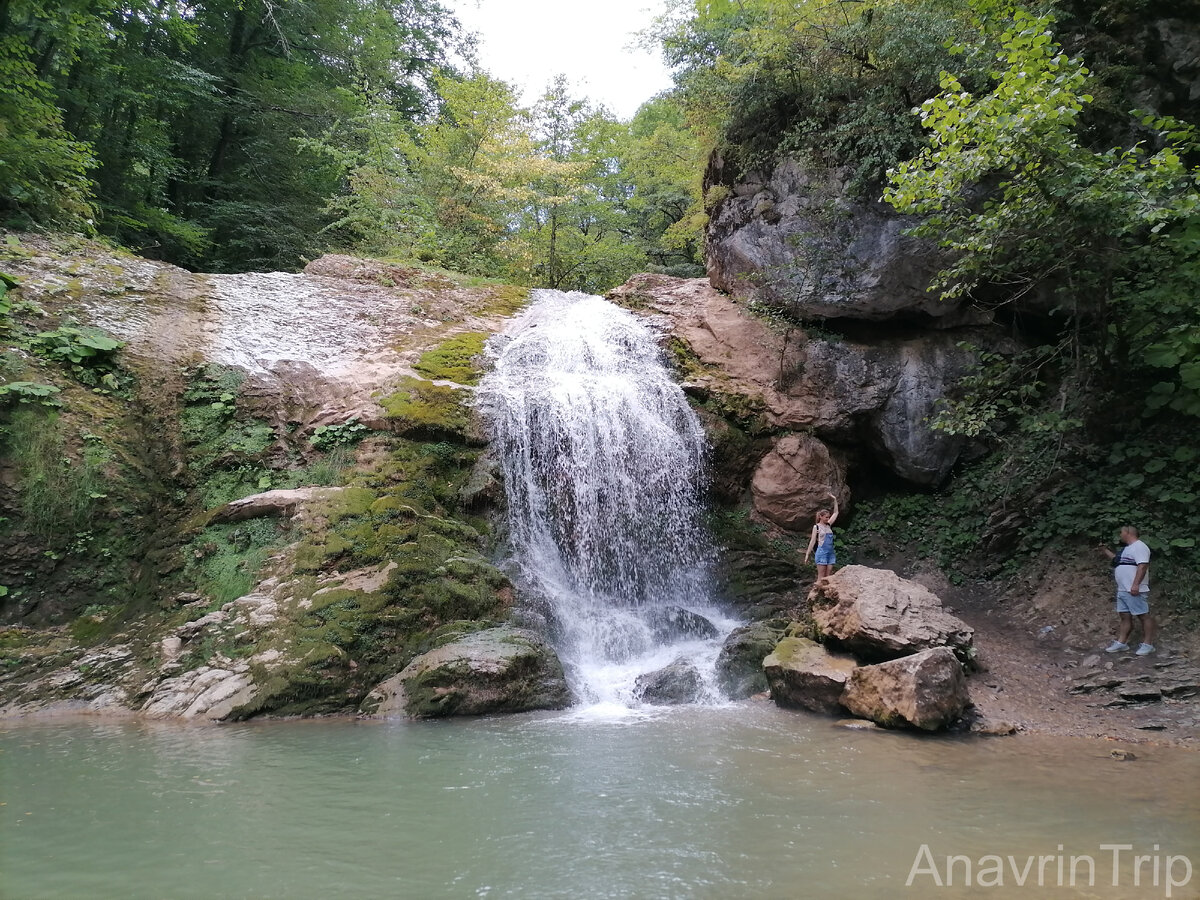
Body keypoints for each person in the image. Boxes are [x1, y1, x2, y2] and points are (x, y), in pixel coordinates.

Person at [1097, 526, 1156, 656]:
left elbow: (1143, 566)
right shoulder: (1127, 549)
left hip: (1133, 588)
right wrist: (1104, 550)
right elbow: (1117, 560)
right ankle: (1122, 643)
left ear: (1128, 532)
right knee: (1124, 616)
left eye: (1121, 532)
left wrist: (1135, 585)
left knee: (1143, 615)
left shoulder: (1140, 546)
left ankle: (1148, 644)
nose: (1120, 535)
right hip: (1123, 589)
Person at [804, 493, 839, 580]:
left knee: (828, 575)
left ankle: (825, 592)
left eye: (828, 517)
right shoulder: (816, 527)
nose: (828, 519)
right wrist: (807, 554)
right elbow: (812, 541)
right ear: (821, 517)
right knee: (821, 576)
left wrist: (834, 500)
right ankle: (817, 592)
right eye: (826, 517)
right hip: (822, 552)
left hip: (830, 552)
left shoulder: (828, 525)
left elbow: (836, 512)